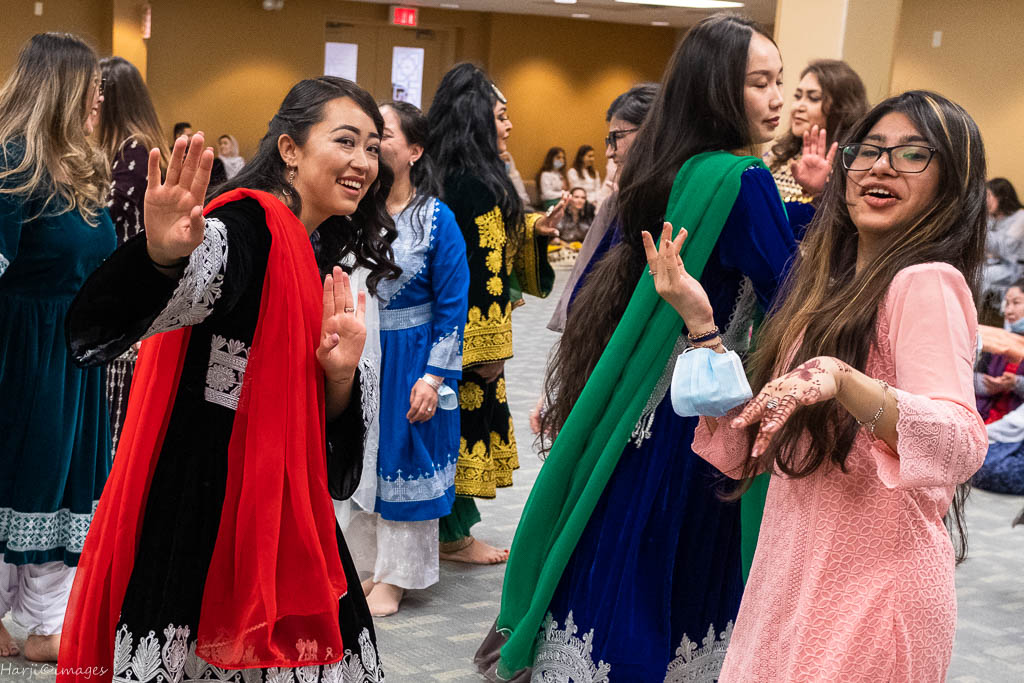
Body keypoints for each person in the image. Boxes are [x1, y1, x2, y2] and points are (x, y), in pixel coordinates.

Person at [493, 15, 827, 680]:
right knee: (675, 564)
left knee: (620, 542)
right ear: (718, 89)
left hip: (639, 401)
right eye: (759, 83)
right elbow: (788, 288)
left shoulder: (676, 168)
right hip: (701, 410)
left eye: (780, 82)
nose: (776, 99)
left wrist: (807, 203)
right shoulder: (741, 177)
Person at [58, 77, 395, 680]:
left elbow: (326, 430)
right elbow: (200, 275)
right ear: (290, 149)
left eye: (372, 147)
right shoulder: (248, 224)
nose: (363, 162)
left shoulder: (317, 244)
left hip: (282, 497)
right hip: (209, 500)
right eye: (345, 141)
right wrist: (164, 256)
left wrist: (340, 375)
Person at [651, 89, 988, 681]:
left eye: (912, 154)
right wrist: (702, 326)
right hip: (795, 576)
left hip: (871, 594)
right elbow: (757, 438)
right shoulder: (831, 285)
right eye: (869, 150)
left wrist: (841, 378)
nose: (880, 167)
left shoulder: (925, 281)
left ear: (952, 183)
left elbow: (959, 442)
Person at [0, 32, 113, 662]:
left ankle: (48, 622)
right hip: (22, 355)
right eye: (92, 85)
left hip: (75, 355)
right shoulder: (12, 163)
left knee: (68, 482)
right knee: (23, 476)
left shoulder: (79, 163)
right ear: (63, 87)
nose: (99, 96)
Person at [426, 63, 561, 566]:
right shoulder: (475, 183)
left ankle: (448, 531)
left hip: (443, 324)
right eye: (501, 116)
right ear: (476, 117)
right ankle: (451, 537)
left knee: (448, 425)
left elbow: (488, 242)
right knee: (461, 426)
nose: (509, 125)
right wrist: (487, 349)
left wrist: (530, 229)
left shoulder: (447, 171)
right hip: (467, 330)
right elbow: (481, 267)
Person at [344, 100, 469, 618]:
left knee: (405, 458)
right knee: (364, 459)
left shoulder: (437, 219)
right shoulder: (355, 213)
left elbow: (453, 306)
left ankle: (399, 577)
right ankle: (369, 567)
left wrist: (434, 377)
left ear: (415, 151)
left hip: (413, 358)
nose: (374, 145)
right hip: (363, 356)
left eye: (384, 135)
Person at [95, 55, 169, 453]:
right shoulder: (126, 149)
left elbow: (105, 216)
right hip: (125, 293)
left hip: (127, 297)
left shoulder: (135, 150)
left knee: (115, 430)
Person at [765, 59, 868, 236]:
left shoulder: (855, 166)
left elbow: (851, 232)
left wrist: (820, 192)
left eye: (813, 98)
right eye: (798, 96)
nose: (798, 107)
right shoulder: (775, 156)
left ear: (841, 108)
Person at [976, 279, 1024, 423]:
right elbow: (971, 378)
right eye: (1007, 304)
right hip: (985, 418)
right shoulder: (999, 342)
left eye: (1016, 303)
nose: (1008, 311)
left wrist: (1016, 383)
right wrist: (990, 385)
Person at [981, 177, 1024, 320]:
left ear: (1001, 197)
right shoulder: (994, 218)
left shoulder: (1021, 218)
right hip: (996, 263)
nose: (986, 201)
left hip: (1014, 269)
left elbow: (1004, 246)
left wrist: (981, 225)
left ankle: (975, 314)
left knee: (983, 275)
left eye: (988, 196)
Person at [175, 121, 228, 188]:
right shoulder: (173, 153)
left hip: (200, 175)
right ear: (178, 136)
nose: (191, 138)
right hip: (188, 180)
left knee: (217, 162)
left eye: (191, 135)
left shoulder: (192, 148)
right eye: (188, 135)